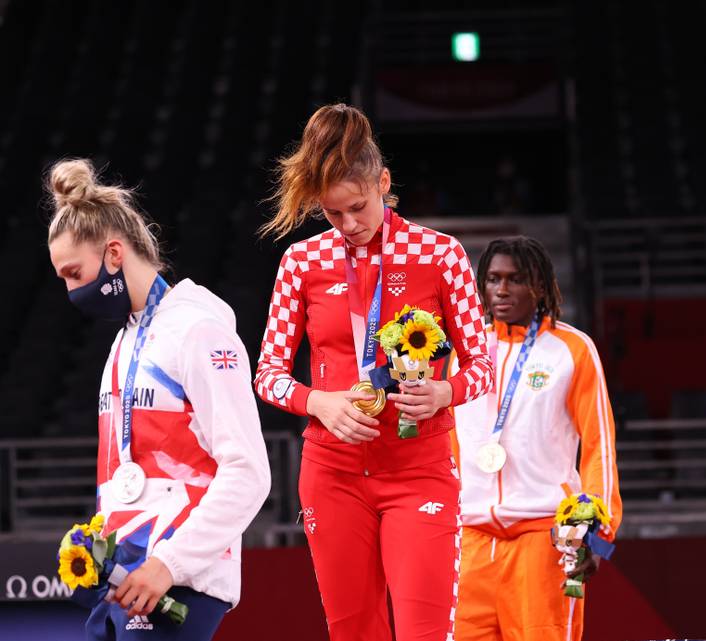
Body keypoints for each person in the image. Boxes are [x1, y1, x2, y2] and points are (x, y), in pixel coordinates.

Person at [254, 103, 493, 641]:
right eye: (333, 214)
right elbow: (267, 372)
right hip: (332, 473)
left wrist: (443, 391)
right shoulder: (301, 262)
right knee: (353, 634)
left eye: (359, 207)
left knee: (422, 634)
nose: (349, 225)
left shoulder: (441, 255)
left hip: (419, 469)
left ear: (383, 182)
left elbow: (483, 365)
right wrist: (319, 402)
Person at [46, 158, 271, 640]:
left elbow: (249, 472)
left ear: (113, 254)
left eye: (73, 273)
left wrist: (169, 564)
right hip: (125, 578)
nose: (69, 292)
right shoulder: (123, 342)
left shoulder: (199, 330)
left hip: (175, 581)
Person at [451, 236, 622, 641]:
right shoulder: (462, 352)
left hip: (541, 538)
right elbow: (449, 447)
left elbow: (598, 447)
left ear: (541, 286)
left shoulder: (572, 349)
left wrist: (597, 534)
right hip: (469, 540)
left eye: (516, 279)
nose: (502, 290)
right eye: (493, 279)